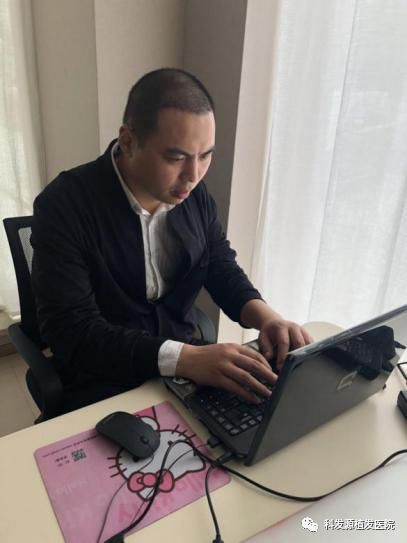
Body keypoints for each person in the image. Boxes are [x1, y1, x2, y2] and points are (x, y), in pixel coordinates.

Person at [31, 68, 312, 412]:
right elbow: (72, 333)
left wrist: (268, 318)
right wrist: (184, 358)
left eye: (205, 155)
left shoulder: (193, 195)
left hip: (183, 366)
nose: (193, 175)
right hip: (103, 375)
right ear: (128, 141)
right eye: (176, 158)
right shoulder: (64, 205)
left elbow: (220, 267)